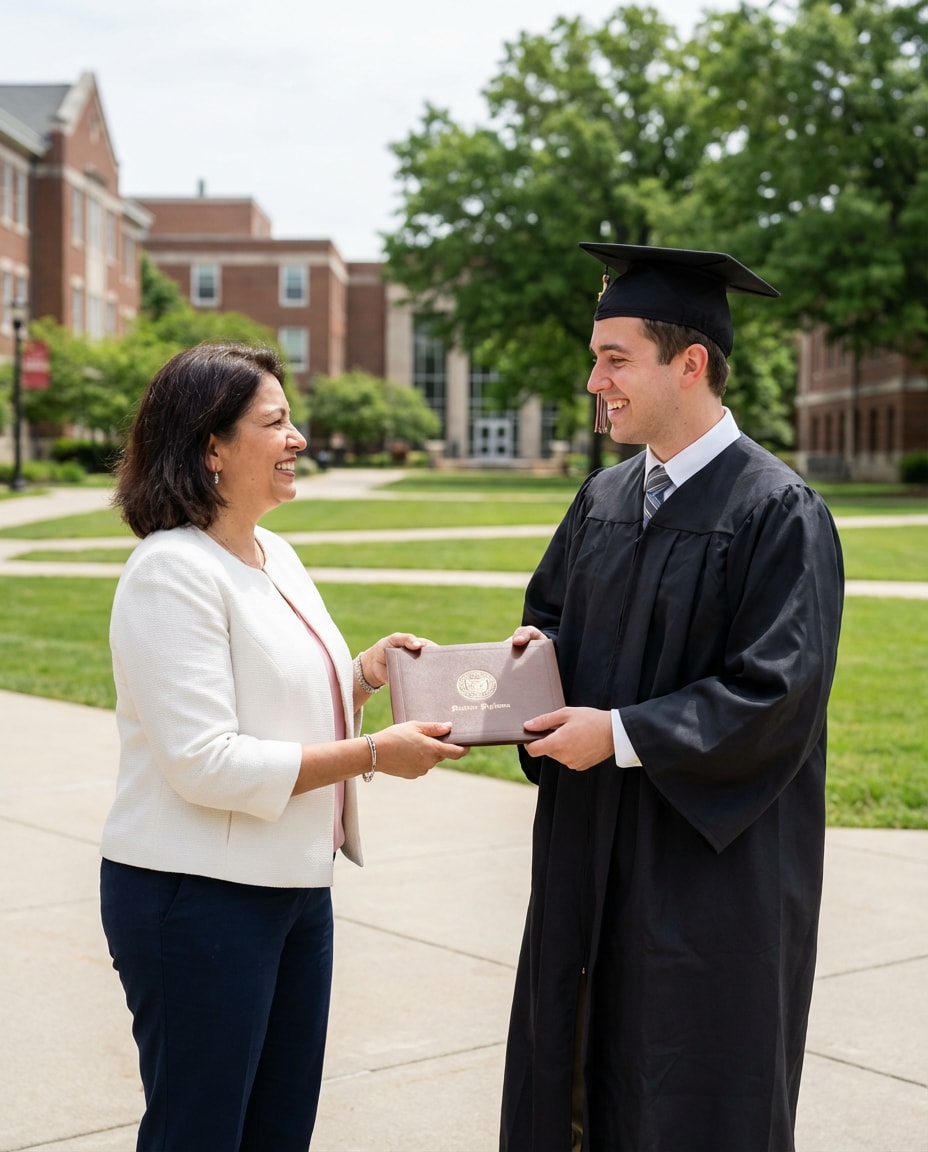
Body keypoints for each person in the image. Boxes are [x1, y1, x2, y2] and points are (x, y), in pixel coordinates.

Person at [500, 245, 844, 1152]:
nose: (593, 380)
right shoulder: (605, 496)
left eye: (615, 358)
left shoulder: (777, 510)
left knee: (690, 1073)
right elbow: (553, 618)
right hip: (590, 845)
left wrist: (617, 734)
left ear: (689, 363)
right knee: (575, 1060)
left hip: (703, 866)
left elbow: (778, 691)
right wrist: (533, 665)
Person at [99, 342, 466, 1152]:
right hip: (197, 899)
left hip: (296, 889)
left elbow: (282, 697)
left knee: (277, 1130)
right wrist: (373, 753)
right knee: (201, 1132)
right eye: (275, 422)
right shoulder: (170, 572)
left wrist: (364, 674)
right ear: (212, 448)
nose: (298, 437)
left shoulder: (276, 557)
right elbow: (205, 761)